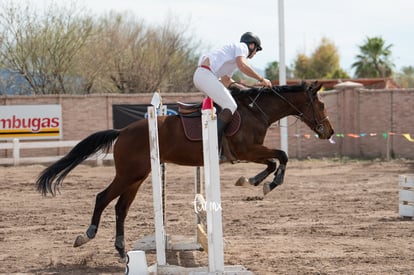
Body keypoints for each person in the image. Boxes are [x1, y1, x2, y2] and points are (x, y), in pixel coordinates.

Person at [193, 32, 272, 146]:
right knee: (231, 105)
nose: (255, 53)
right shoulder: (242, 47)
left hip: (204, 76)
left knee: (222, 106)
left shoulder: (232, 58)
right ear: (251, 45)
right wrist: (261, 79)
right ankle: (214, 141)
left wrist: (245, 89)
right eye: (256, 50)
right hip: (205, 75)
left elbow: (226, 80)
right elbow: (243, 66)